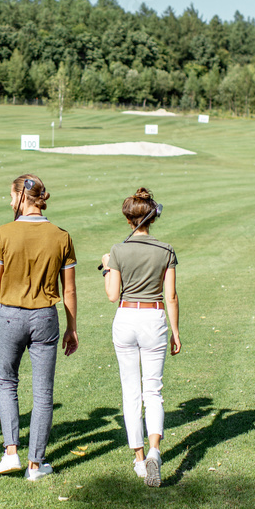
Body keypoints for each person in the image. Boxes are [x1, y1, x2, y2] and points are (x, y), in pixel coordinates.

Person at [0, 174, 79, 482]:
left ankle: (11, 452)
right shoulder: (61, 235)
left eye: (11, 196)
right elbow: (69, 290)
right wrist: (72, 327)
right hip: (46, 317)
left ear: (22, 198)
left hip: (11, 314)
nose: (10, 202)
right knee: (43, 393)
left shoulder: (3, 232)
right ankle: (35, 465)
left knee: (7, 383)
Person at [100, 187, 180, 487]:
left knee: (130, 391)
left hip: (126, 317)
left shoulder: (118, 250)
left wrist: (106, 266)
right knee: (153, 390)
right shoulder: (166, 250)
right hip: (154, 317)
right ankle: (155, 451)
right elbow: (170, 295)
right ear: (152, 217)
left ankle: (138, 458)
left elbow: (112, 295)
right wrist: (175, 331)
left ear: (129, 219)